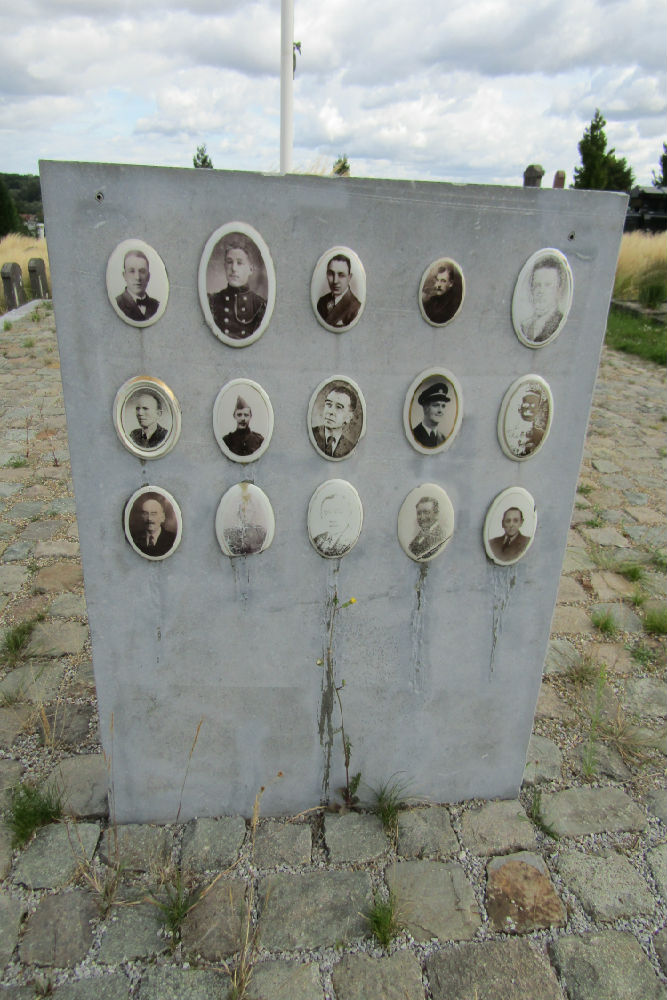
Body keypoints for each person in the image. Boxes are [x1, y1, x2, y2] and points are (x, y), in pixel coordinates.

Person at [208, 236, 266, 339]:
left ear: (251, 269)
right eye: (229, 262)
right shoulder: (212, 301)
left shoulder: (260, 306)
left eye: (239, 263)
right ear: (225, 266)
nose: (234, 268)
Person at [520, 256, 565, 343]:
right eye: (537, 285)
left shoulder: (560, 323)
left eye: (548, 285)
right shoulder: (525, 326)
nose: (541, 291)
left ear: (558, 291)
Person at [312, 384, 358, 457]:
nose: (331, 412)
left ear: (349, 417)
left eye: (339, 407)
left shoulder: (350, 448)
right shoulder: (311, 435)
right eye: (328, 404)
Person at [316, 254, 361, 328]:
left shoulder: (355, 308)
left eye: (341, 275)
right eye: (331, 274)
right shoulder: (321, 302)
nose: (335, 281)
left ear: (349, 278)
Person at [116, 250, 160, 322]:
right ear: (124, 276)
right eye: (132, 271)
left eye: (142, 271)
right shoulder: (118, 302)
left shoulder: (156, 305)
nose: (137, 277)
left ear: (148, 276)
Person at [313, 492, 357, 556]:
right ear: (322, 515)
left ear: (348, 514)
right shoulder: (317, 539)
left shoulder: (351, 539)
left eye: (338, 512)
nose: (332, 518)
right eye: (327, 513)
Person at [510, 386, 547, 457]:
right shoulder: (510, 432)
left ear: (538, 409)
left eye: (534, 404)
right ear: (519, 407)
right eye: (526, 403)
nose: (530, 407)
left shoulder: (540, 435)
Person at [412, 382, 451, 448]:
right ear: (425, 408)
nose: (440, 410)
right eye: (436, 405)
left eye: (443, 406)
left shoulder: (443, 438)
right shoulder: (414, 435)